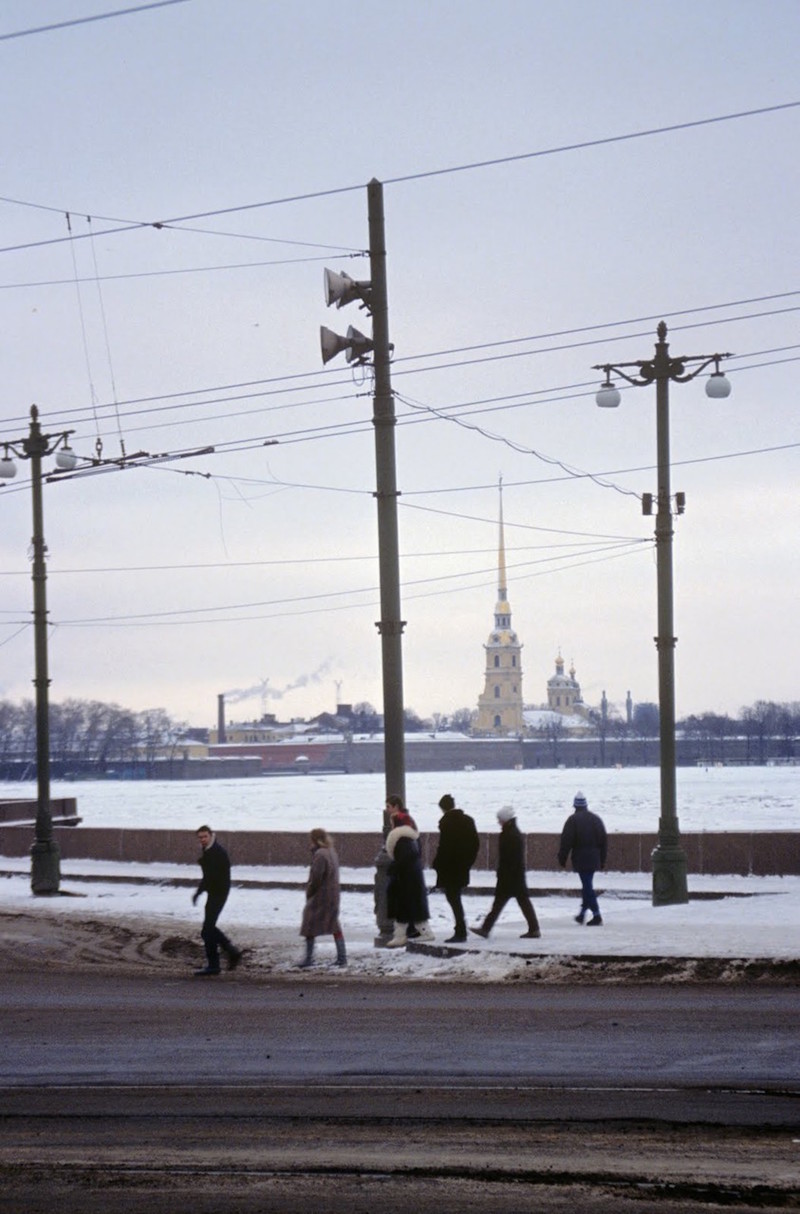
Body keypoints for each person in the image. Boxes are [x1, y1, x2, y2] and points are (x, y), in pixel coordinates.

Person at [470, 805, 540, 940]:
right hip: (515, 875)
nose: (498, 822)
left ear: (506, 820)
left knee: (503, 902)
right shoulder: (512, 832)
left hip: (510, 875)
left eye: (499, 819)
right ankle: (533, 929)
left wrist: (503, 873)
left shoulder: (510, 834)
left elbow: (509, 857)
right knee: (519, 902)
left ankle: (486, 929)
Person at [192, 825, 242, 975]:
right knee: (208, 929)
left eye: (204, 837)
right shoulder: (209, 850)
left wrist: (200, 891)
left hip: (218, 893)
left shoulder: (216, 852)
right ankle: (227, 955)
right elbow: (208, 877)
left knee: (207, 929)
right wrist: (199, 892)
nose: (202, 840)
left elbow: (212, 876)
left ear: (211, 835)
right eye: (200, 837)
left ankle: (221, 960)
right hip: (215, 892)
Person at [385, 794, 434, 947]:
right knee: (410, 908)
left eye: (388, 806)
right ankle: (409, 934)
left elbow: (404, 858)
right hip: (410, 878)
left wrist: (393, 868)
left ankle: (417, 934)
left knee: (406, 908)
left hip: (406, 878)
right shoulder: (410, 837)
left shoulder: (402, 839)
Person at [432, 793, 480, 943]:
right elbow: (475, 844)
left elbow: (445, 848)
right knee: (456, 898)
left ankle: (460, 931)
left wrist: (437, 864)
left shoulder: (447, 823)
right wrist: (467, 863)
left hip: (449, 868)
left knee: (453, 899)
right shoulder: (467, 820)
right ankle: (460, 929)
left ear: (442, 808)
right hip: (461, 867)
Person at [298, 827, 346, 968]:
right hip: (332, 895)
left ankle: (309, 958)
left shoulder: (320, 854)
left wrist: (310, 891)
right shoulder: (331, 852)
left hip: (321, 896)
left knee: (309, 924)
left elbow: (316, 878)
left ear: (315, 840)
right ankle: (342, 957)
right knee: (334, 925)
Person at [558, 791, 608, 925]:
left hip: (581, 859)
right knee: (587, 885)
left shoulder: (572, 820)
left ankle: (597, 915)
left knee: (587, 887)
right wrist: (602, 860)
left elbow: (566, 842)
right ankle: (582, 914)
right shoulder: (596, 819)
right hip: (594, 858)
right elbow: (604, 841)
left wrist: (562, 858)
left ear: (575, 806)